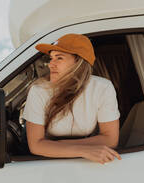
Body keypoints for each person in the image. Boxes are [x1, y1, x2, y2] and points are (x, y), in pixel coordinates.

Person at [23, 33, 122, 164]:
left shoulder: (102, 88)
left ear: (79, 62)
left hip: (88, 161)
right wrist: (83, 150)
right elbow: (36, 145)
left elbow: (110, 139)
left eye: (59, 58)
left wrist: (58, 146)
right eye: (51, 58)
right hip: (49, 162)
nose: (51, 64)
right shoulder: (39, 90)